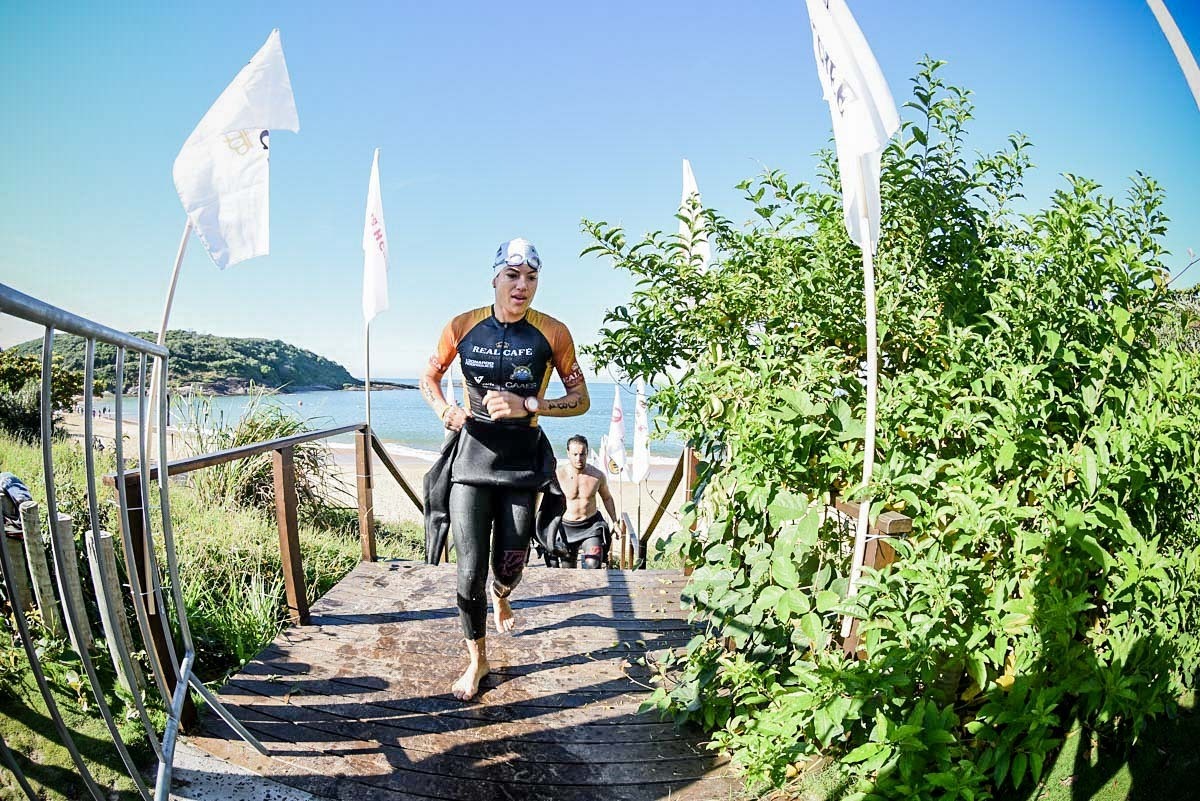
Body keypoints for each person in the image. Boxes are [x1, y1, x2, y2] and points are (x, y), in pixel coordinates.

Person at [419, 237, 589, 701]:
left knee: (510, 561)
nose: (522, 287)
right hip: (471, 456)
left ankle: (503, 594)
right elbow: (429, 377)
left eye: (531, 278)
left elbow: (580, 399)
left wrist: (527, 403)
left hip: (521, 460)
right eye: (513, 276)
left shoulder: (553, 333)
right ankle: (478, 659)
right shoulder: (462, 325)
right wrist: (444, 411)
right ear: (495, 276)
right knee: (467, 569)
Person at [547, 434, 623, 568]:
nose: (579, 458)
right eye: (575, 454)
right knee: (568, 570)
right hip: (566, 527)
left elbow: (607, 498)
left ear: (587, 453)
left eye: (582, 454)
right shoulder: (558, 475)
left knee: (593, 564)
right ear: (568, 453)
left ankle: (594, 588)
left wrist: (615, 522)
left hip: (591, 526)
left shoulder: (597, 475)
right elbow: (545, 501)